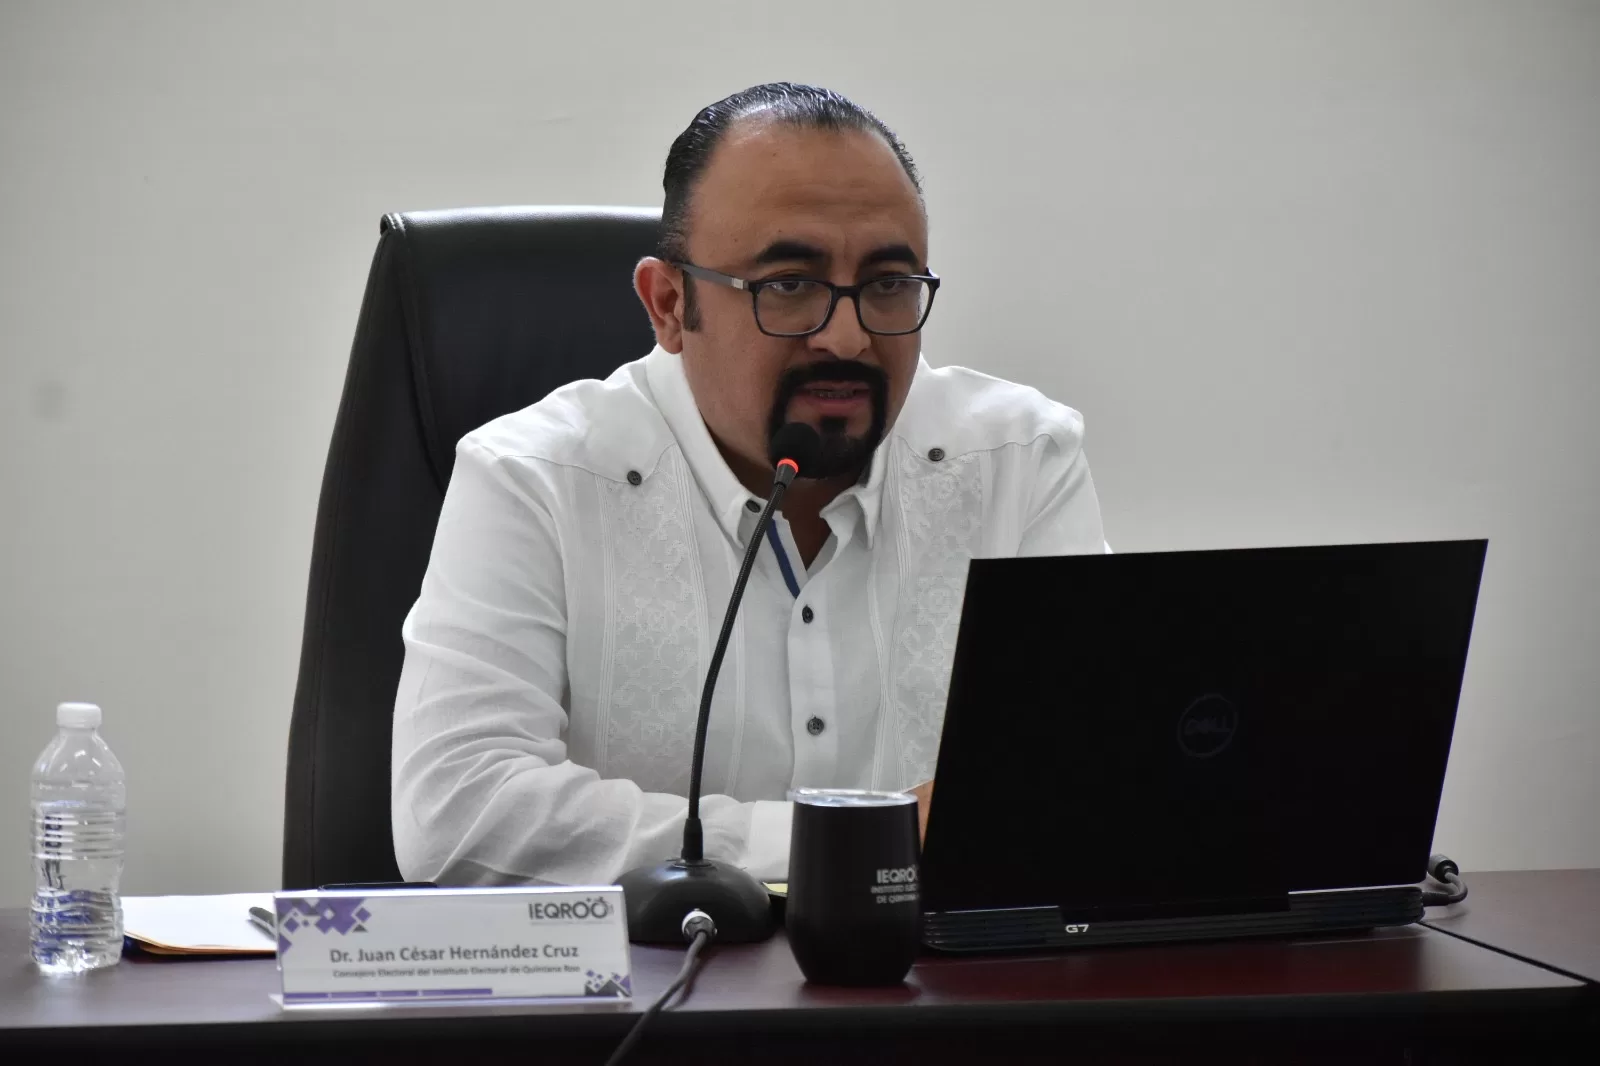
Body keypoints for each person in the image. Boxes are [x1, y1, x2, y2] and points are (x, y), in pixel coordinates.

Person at [391, 83, 1107, 887]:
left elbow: (1093, 776)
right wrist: (861, 841)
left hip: (942, 969)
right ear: (669, 305)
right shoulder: (535, 480)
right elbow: (457, 813)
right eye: (789, 285)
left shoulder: (1020, 460)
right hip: (653, 972)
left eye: (888, 284)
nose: (847, 337)